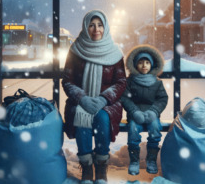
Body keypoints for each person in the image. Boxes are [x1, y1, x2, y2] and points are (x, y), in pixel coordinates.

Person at [62, 10, 126, 184]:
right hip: (80, 101)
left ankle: (101, 166)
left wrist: (103, 99)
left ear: (105, 27)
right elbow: (67, 81)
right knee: (82, 116)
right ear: (85, 27)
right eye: (91, 25)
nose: (96, 29)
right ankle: (87, 168)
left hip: (107, 103)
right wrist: (83, 98)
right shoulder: (75, 50)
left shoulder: (114, 52)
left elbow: (120, 82)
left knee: (103, 118)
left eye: (99, 25)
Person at [121, 44, 168, 175]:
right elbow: (125, 98)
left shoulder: (157, 82)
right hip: (135, 114)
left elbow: (162, 99)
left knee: (155, 130)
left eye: (147, 62)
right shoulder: (130, 81)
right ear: (135, 65)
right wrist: (134, 111)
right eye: (141, 62)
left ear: (152, 65)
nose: (144, 65)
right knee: (133, 131)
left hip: (152, 114)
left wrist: (154, 111)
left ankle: (151, 160)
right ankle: (134, 161)